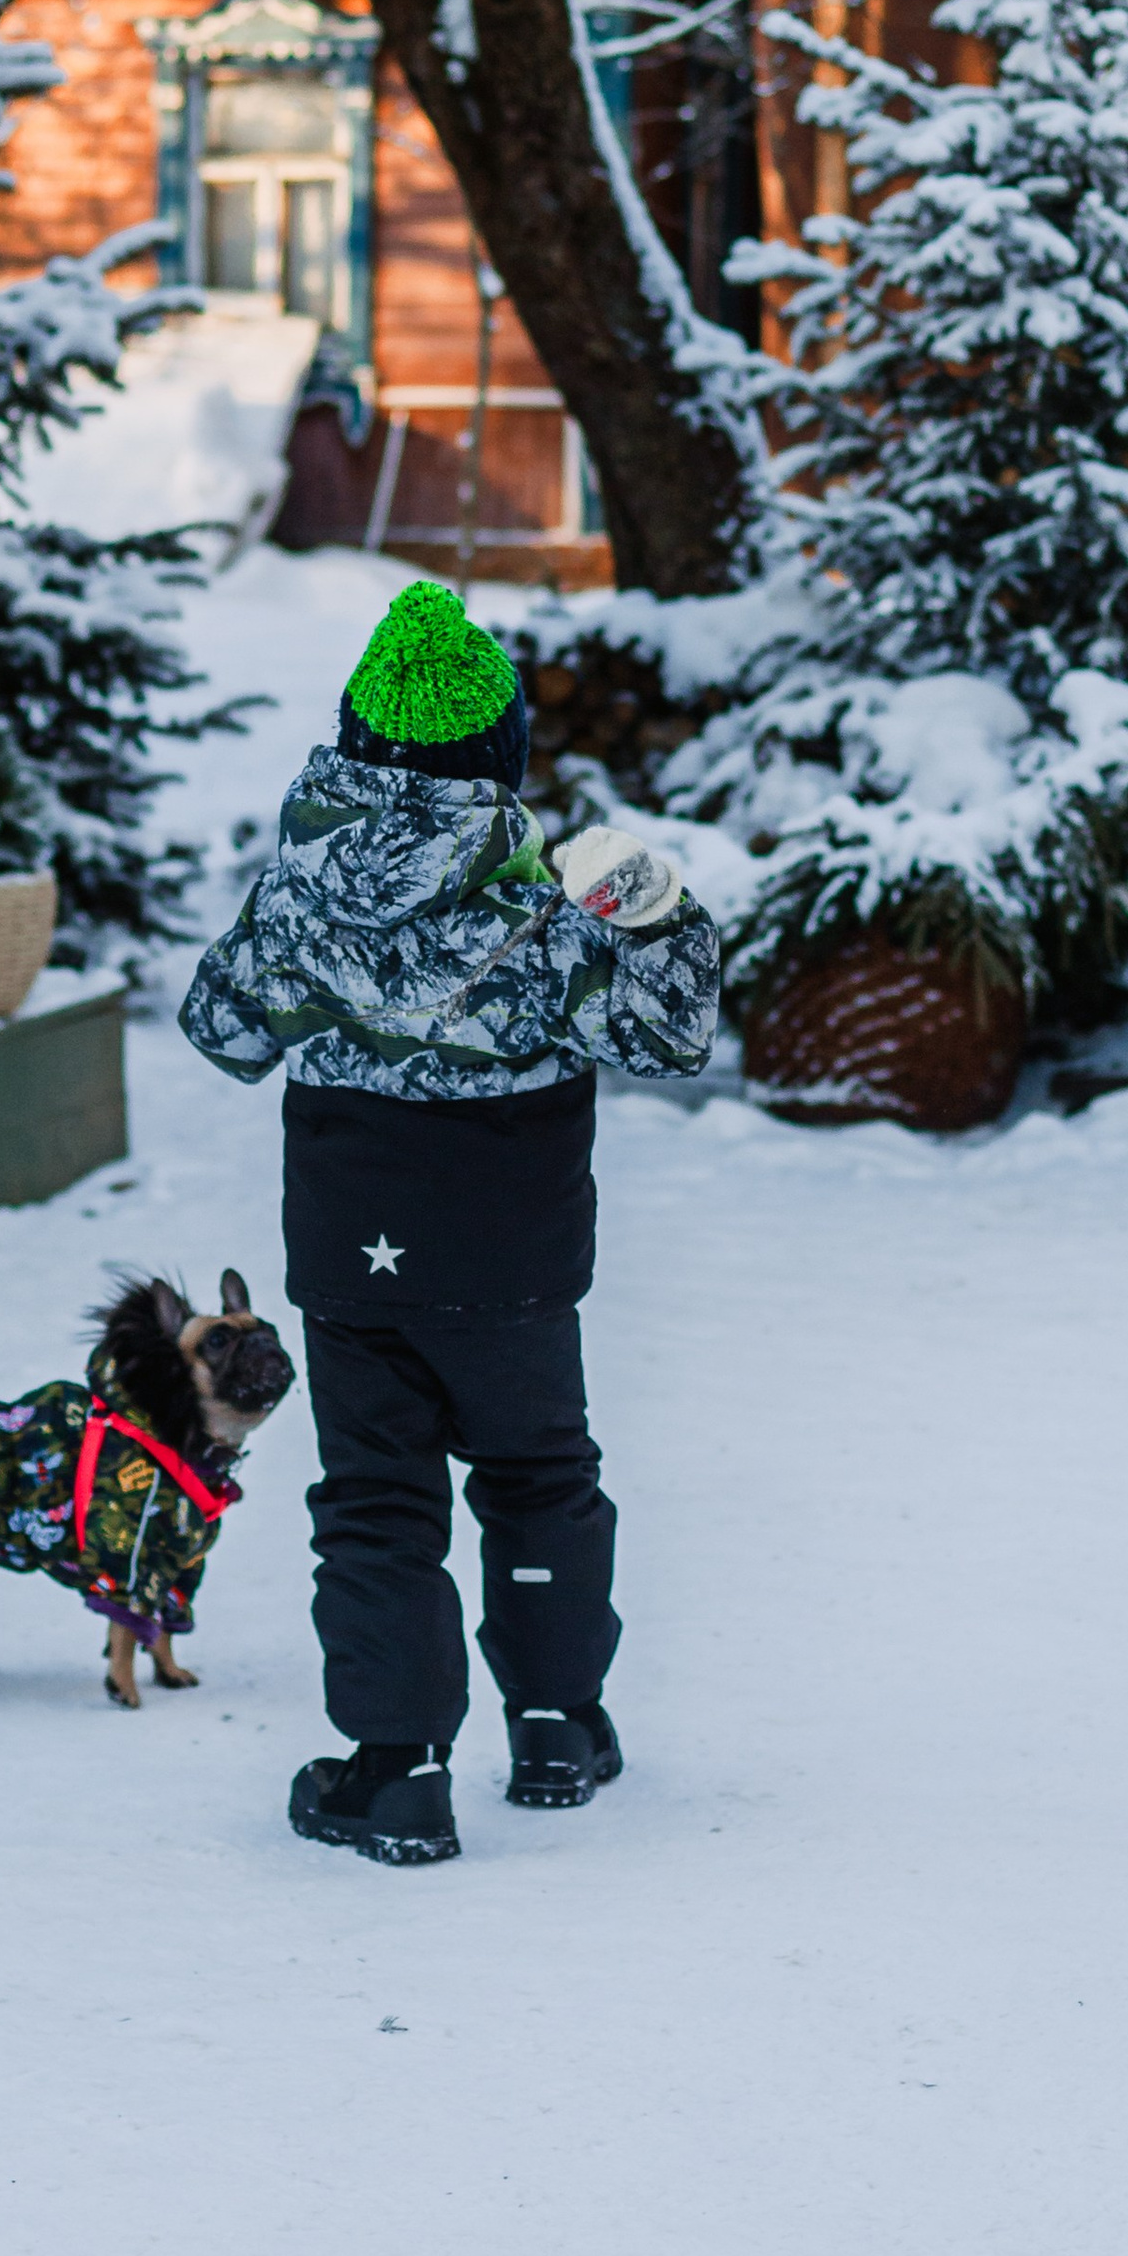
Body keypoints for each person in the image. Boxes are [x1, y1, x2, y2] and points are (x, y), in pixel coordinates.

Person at [179, 579, 718, 1866]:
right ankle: (554, 1725)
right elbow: (670, 1034)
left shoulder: (302, 889)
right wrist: (662, 915)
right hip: (515, 1262)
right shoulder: (546, 896)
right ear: (500, 753)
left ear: (356, 743)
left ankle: (396, 1769)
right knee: (538, 1480)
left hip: (353, 1261)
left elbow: (222, 1030)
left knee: (375, 1500)